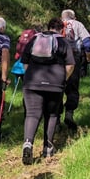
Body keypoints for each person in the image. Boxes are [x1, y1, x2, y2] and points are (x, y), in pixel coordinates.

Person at [20, 18, 75, 164]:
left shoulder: (34, 39)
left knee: (32, 114)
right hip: (55, 83)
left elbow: (24, 62)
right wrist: (63, 79)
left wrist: (30, 77)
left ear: (48, 27)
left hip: (32, 82)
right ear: (61, 29)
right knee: (52, 114)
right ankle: (48, 147)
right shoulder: (63, 42)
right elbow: (70, 65)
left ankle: (28, 143)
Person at [60, 9, 90, 132]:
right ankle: (69, 114)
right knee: (72, 87)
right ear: (74, 17)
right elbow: (87, 43)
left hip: (57, 59)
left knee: (58, 86)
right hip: (73, 58)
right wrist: (89, 57)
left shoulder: (57, 24)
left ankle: (55, 118)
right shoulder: (78, 24)